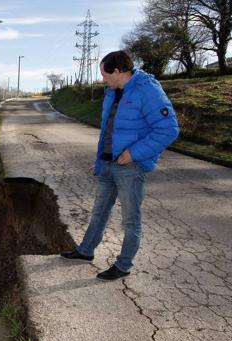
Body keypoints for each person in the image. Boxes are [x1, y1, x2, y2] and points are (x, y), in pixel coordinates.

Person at [61, 50, 179, 280]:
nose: (103, 79)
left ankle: (124, 265)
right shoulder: (112, 92)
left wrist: (133, 154)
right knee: (99, 212)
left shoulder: (148, 90)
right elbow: (107, 131)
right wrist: (99, 160)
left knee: (130, 219)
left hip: (129, 167)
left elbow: (169, 130)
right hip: (107, 163)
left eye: (105, 74)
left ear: (117, 71)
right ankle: (86, 251)